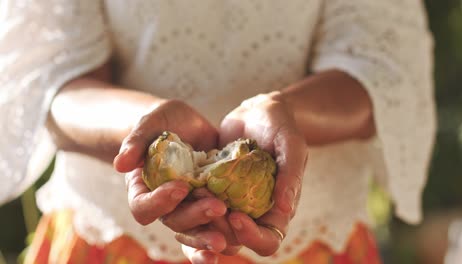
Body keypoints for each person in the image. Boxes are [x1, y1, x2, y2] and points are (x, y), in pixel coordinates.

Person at [0, 0, 435, 263]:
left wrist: (286, 113)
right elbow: (50, 79)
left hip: (313, 241)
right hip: (113, 240)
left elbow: (383, 69)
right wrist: (140, 128)